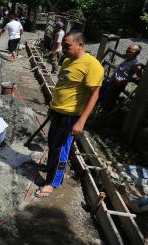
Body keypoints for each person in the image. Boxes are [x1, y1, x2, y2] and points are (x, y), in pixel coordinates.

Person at [35, 32, 104, 198]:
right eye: (63, 46)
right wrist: (52, 106)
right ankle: (51, 167)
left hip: (71, 116)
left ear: (80, 44)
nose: (63, 49)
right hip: (58, 111)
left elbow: (94, 95)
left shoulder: (92, 65)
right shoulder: (67, 60)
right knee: (52, 143)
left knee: (60, 150)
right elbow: (63, 85)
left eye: (67, 46)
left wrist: (81, 121)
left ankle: (52, 182)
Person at [99, 44, 142, 113]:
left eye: (130, 51)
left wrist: (124, 80)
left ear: (137, 53)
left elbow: (139, 77)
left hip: (117, 86)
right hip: (110, 82)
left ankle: (101, 118)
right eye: (127, 50)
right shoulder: (129, 57)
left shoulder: (136, 64)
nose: (127, 52)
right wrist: (126, 55)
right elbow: (124, 56)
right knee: (100, 97)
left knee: (107, 104)